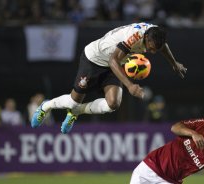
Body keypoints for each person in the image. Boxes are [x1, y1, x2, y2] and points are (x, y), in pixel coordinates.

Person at [31, 22, 187, 133]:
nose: (152, 52)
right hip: (94, 59)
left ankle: (76, 112)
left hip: (113, 64)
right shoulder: (133, 37)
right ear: (146, 38)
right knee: (73, 101)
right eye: (151, 48)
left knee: (113, 103)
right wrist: (130, 86)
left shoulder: (155, 34)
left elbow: (163, 46)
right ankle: (46, 106)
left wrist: (174, 63)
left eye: (155, 49)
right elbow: (113, 60)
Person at [130, 111, 204, 184]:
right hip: (150, 167)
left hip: (171, 181)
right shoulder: (203, 124)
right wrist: (193, 133)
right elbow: (175, 127)